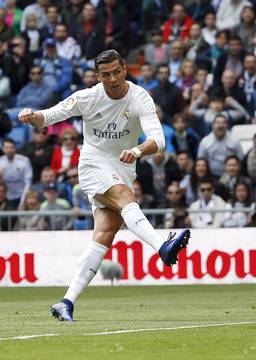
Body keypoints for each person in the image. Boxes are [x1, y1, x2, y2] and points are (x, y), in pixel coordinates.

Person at [18, 50, 190, 322]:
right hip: (92, 163)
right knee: (124, 197)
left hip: (124, 165)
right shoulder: (87, 97)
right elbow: (49, 116)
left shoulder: (140, 97)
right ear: (98, 77)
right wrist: (31, 115)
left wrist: (137, 150)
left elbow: (159, 140)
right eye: (105, 74)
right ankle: (162, 247)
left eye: (116, 72)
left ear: (124, 69)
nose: (112, 79)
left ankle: (66, 302)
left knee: (105, 233)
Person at [0, 138, 32, 209]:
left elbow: (28, 182)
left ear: (15, 148)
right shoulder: (0, 161)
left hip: (22, 194)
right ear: (3, 149)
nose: (9, 150)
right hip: (7, 196)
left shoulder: (24, 161)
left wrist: (22, 201)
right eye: (6, 148)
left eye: (11, 147)